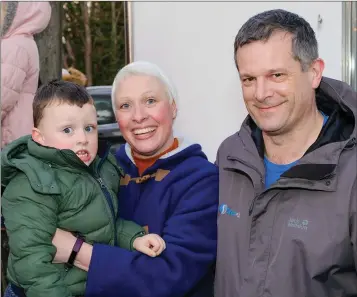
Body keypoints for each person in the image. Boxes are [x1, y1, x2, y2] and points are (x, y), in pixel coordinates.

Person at [215, 9, 357, 297]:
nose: (261, 93)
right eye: (248, 79)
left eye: (277, 75)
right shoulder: (230, 156)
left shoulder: (351, 171)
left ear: (314, 72)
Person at [51, 61, 219, 297]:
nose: (139, 116)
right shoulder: (102, 167)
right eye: (125, 105)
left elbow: (167, 277)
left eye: (150, 101)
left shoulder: (202, 181)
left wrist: (75, 251)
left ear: (173, 107)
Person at [1, 80, 166, 297]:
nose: (82, 139)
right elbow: (32, 262)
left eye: (89, 128)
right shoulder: (32, 183)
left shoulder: (99, 170)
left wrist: (134, 238)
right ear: (39, 137)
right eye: (67, 130)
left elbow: (104, 225)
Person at [1, 2, 51, 149]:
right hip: (18, 133)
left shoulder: (14, 46)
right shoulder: (22, 42)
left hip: (10, 138)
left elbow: (3, 95)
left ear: (16, 15)